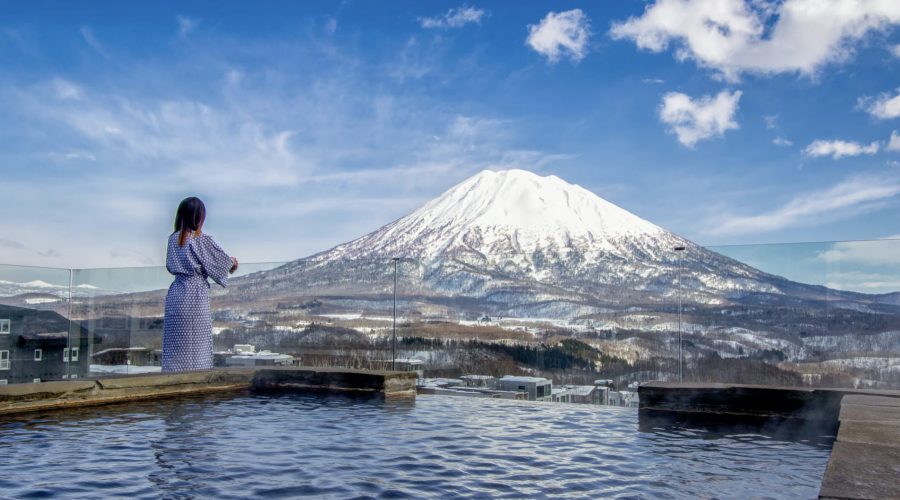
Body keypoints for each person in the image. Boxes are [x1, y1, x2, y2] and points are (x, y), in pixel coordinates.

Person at [162, 197, 238, 372]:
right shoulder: (200, 239)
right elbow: (222, 262)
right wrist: (232, 262)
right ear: (199, 217)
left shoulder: (172, 239)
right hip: (194, 294)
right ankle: (196, 378)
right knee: (195, 343)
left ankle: (173, 378)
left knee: (176, 344)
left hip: (176, 293)